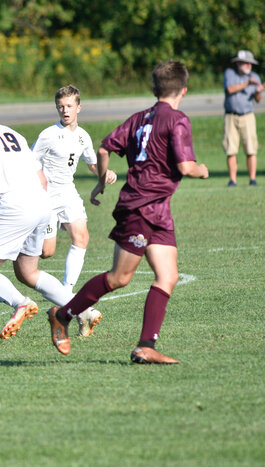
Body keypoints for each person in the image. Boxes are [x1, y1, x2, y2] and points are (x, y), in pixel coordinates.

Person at [46, 60, 209, 364]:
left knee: (168, 275)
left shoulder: (138, 118)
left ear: (153, 89)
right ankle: (63, 314)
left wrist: (101, 182)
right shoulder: (177, 120)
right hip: (140, 207)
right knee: (119, 278)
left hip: (157, 209)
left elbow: (106, 148)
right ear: (183, 91)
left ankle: (146, 346)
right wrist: (202, 170)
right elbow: (186, 167)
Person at [0, 88, 99, 340]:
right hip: (41, 203)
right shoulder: (11, 133)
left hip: (15, 206)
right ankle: (84, 310)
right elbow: (40, 177)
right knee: (27, 272)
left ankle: (20, 303)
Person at [32, 85, 117, 326]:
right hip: (46, 197)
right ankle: (21, 245)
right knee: (47, 253)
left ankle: (66, 293)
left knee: (82, 238)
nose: (65, 110)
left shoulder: (83, 136)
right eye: (61, 106)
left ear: (79, 107)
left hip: (68, 193)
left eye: (69, 106)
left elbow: (92, 163)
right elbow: (30, 162)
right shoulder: (48, 134)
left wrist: (105, 173)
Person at [223, 50, 264, 187]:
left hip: (247, 116)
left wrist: (258, 92)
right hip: (231, 115)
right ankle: (232, 180)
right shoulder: (230, 74)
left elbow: (257, 100)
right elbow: (230, 89)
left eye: (250, 64)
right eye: (246, 63)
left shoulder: (255, 77)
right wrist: (247, 84)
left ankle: (252, 179)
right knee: (231, 149)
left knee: (251, 148)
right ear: (238, 63)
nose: (248, 66)